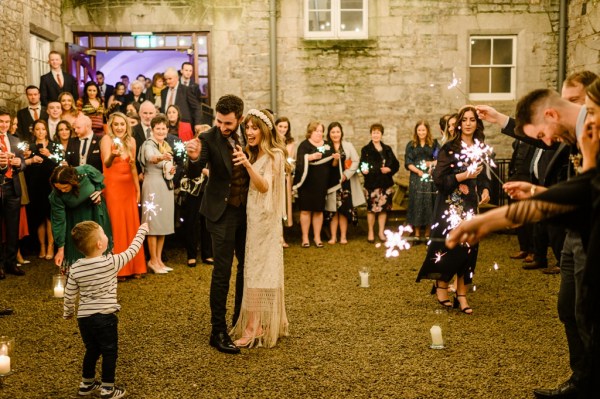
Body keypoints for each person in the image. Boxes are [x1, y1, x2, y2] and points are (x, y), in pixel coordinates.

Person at [447, 77, 600, 397]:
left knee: (589, 312)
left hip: (590, 236)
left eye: (589, 107)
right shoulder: (581, 134)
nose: (548, 142)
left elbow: (587, 192)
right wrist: (536, 192)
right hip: (574, 233)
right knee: (570, 307)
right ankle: (581, 379)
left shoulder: (588, 135)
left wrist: (491, 219)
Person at [186, 94, 247, 354]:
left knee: (247, 268)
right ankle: (218, 330)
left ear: (240, 119)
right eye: (219, 122)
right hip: (221, 213)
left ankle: (241, 321)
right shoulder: (208, 138)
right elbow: (195, 169)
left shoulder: (251, 134)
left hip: (248, 213)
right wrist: (192, 157)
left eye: (228, 123)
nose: (223, 127)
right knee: (222, 272)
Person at [416, 106, 490, 314]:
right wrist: (464, 176)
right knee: (450, 247)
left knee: (469, 249)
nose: (468, 123)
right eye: (464, 119)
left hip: (470, 205)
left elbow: (483, 176)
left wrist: (485, 189)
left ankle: (462, 294)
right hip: (450, 206)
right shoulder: (449, 147)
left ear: (477, 123)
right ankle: (441, 286)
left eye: (472, 119)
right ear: (458, 123)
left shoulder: (480, 146)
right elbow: (439, 181)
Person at [63, 220, 148, 399]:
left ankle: (86, 384)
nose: (106, 235)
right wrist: (142, 231)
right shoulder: (111, 263)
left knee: (92, 349)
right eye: (103, 233)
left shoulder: (76, 268)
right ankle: (108, 388)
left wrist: (68, 311)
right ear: (100, 244)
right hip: (105, 318)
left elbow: (69, 293)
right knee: (110, 351)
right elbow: (132, 250)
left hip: (84, 319)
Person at [229, 108, 289, 348]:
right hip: (252, 219)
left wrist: (247, 166)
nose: (250, 132)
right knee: (253, 269)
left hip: (267, 222)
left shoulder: (275, 155)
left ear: (265, 130)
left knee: (260, 271)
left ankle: (254, 326)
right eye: (247, 128)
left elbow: (265, 186)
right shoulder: (251, 154)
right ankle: (259, 323)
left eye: (254, 128)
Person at [101, 112, 145, 280]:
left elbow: (133, 166)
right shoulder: (106, 140)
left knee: (132, 225)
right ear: (111, 126)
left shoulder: (132, 141)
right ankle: (120, 269)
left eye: (122, 124)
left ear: (127, 126)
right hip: (112, 186)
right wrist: (114, 153)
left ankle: (135, 267)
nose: (119, 127)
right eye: (116, 124)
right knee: (117, 225)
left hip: (128, 187)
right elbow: (106, 162)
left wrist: (137, 189)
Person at [49, 165, 113, 271]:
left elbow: (99, 180)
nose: (63, 191)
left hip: (94, 213)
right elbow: (58, 222)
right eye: (59, 188)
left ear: (73, 182)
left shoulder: (86, 171)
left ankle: (101, 270)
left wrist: (98, 191)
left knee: (96, 241)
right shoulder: (56, 196)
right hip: (74, 218)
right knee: (79, 244)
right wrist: (60, 249)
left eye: (65, 188)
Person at [138, 114, 175, 274]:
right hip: (152, 185)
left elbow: (166, 164)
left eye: (163, 128)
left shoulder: (165, 145)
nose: (161, 131)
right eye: (157, 128)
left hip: (165, 186)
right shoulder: (149, 144)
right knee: (152, 224)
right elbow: (150, 158)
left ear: (167, 130)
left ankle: (159, 260)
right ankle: (152, 260)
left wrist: (171, 168)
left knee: (164, 223)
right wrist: (162, 157)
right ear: (152, 130)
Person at [23, 120, 62, 260]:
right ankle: (42, 246)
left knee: (50, 217)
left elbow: (62, 162)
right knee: (39, 217)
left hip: (50, 185)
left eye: (43, 129)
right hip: (35, 185)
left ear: (47, 131)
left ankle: (51, 246)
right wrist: (26, 157)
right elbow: (24, 166)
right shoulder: (30, 147)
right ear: (34, 131)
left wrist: (49, 154)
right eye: (37, 129)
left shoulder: (54, 145)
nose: (40, 132)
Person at [293, 121, 335, 247]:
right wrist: (310, 158)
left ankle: (317, 237)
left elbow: (333, 164)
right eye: (316, 130)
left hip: (321, 183)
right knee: (305, 210)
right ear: (310, 132)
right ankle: (305, 237)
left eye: (321, 131)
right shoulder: (304, 145)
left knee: (318, 210)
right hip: (306, 183)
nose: (319, 133)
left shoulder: (328, 145)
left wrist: (337, 158)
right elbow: (299, 161)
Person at [359, 123, 400, 243]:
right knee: (371, 209)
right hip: (371, 184)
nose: (376, 135)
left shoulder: (387, 149)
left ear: (381, 134)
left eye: (378, 132)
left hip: (385, 184)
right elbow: (362, 164)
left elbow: (395, 164)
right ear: (371, 134)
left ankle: (381, 232)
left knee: (383, 209)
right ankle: (371, 232)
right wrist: (363, 170)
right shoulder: (366, 149)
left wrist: (389, 169)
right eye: (374, 132)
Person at [178, 124, 212, 267]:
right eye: (201, 135)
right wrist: (200, 169)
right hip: (193, 191)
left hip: (209, 191)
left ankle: (208, 254)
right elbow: (187, 168)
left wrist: (210, 173)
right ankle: (191, 255)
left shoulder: (213, 150)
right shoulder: (190, 148)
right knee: (191, 223)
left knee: (208, 224)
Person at [324, 122, 364, 244]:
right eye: (333, 132)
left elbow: (356, 161)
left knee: (343, 210)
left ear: (341, 133)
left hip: (345, 182)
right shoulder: (326, 146)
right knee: (333, 209)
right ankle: (333, 236)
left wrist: (346, 174)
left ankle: (343, 236)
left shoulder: (348, 145)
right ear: (329, 134)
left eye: (337, 132)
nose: (335, 134)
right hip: (331, 183)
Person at [0, 107, 26, 278]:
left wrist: (19, 162)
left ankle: (11, 263)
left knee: (12, 228)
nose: (4, 125)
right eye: (1, 121)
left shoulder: (14, 139)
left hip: (13, 186)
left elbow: (23, 162)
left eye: (7, 122)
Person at [405, 120, 438, 242]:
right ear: (416, 131)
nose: (421, 132)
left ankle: (428, 233)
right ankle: (417, 233)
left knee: (430, 203)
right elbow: (408, 162)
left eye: (423, 130)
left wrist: (431, 165)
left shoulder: (434, 144)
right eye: (419, 130)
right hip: (416, 178)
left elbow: (439, 159)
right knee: (416, 203)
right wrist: (418, 171)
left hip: (430, 177)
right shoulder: (411, 145)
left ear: (427, 131)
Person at [160, 67, 202, 134]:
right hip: (167, 127)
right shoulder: (163, 92)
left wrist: (198, 123)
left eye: (170, 79)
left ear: (177, 78)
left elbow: (197, 107)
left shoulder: (186, 90)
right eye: (166, 79)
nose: (167, 81)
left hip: (184, 126)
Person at [275, 117, 295, 247]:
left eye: (285, 127)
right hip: (273, 175)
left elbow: (290, 159)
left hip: (285, 177)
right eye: (280, 126)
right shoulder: (272, 140)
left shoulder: (291, 142)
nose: (282, 129)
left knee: (284, 205)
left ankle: (281, 236)